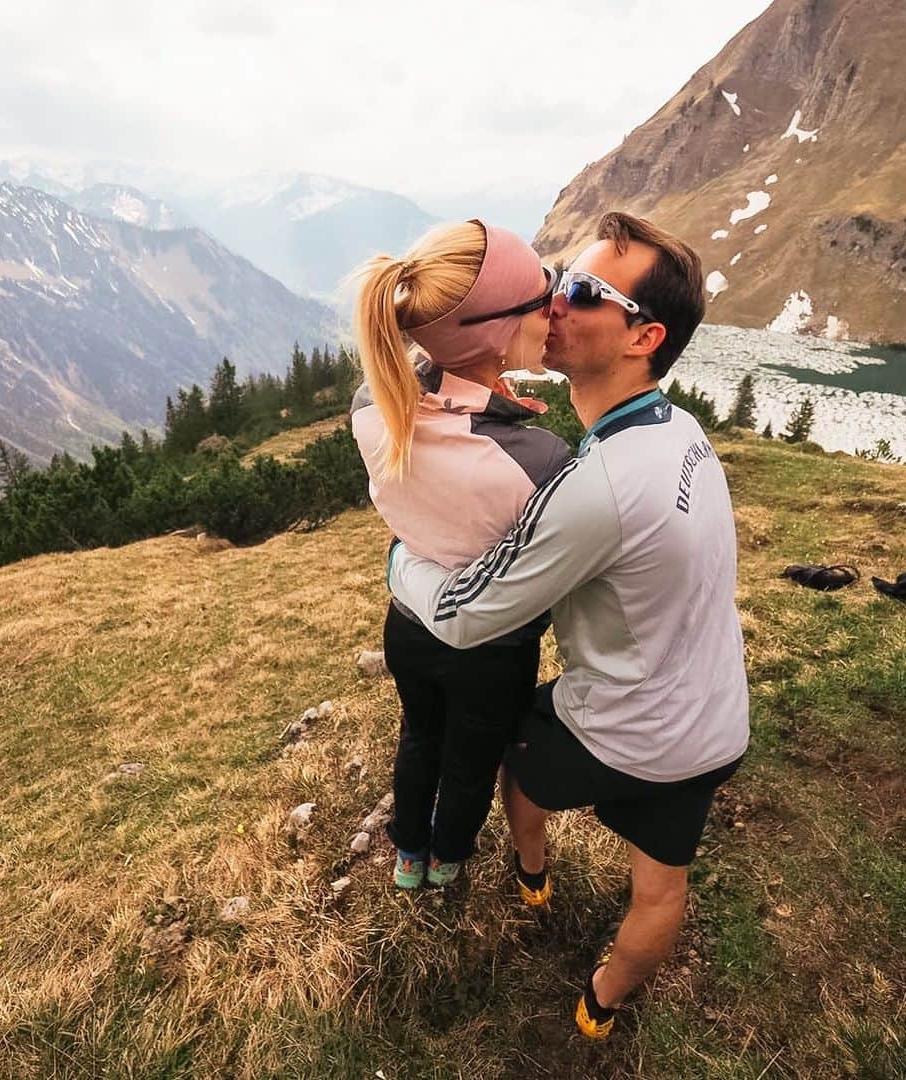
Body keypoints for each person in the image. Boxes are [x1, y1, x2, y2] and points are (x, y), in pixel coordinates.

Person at [387, 211, 749, 1039]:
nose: (552, 300)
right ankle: (600, 1006)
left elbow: (470, 615)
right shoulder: (681, 432)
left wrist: (401, 558)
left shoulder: (598, 485)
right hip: (714, 723)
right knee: (660, 889)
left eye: (583, 292)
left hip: (626, 730)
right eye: (558, 277)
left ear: (642, 336)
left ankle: (531, 873)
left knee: (519, 762)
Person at [350, 219, 570, 890]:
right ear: (497, 329)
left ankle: (408, 855)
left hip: (409, 626)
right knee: (473, 760)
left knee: (419, 736)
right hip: (493, 649)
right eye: (543, 292)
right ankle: (448, 860)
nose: (556, 305)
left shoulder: (371, 406)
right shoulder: (538, 458)